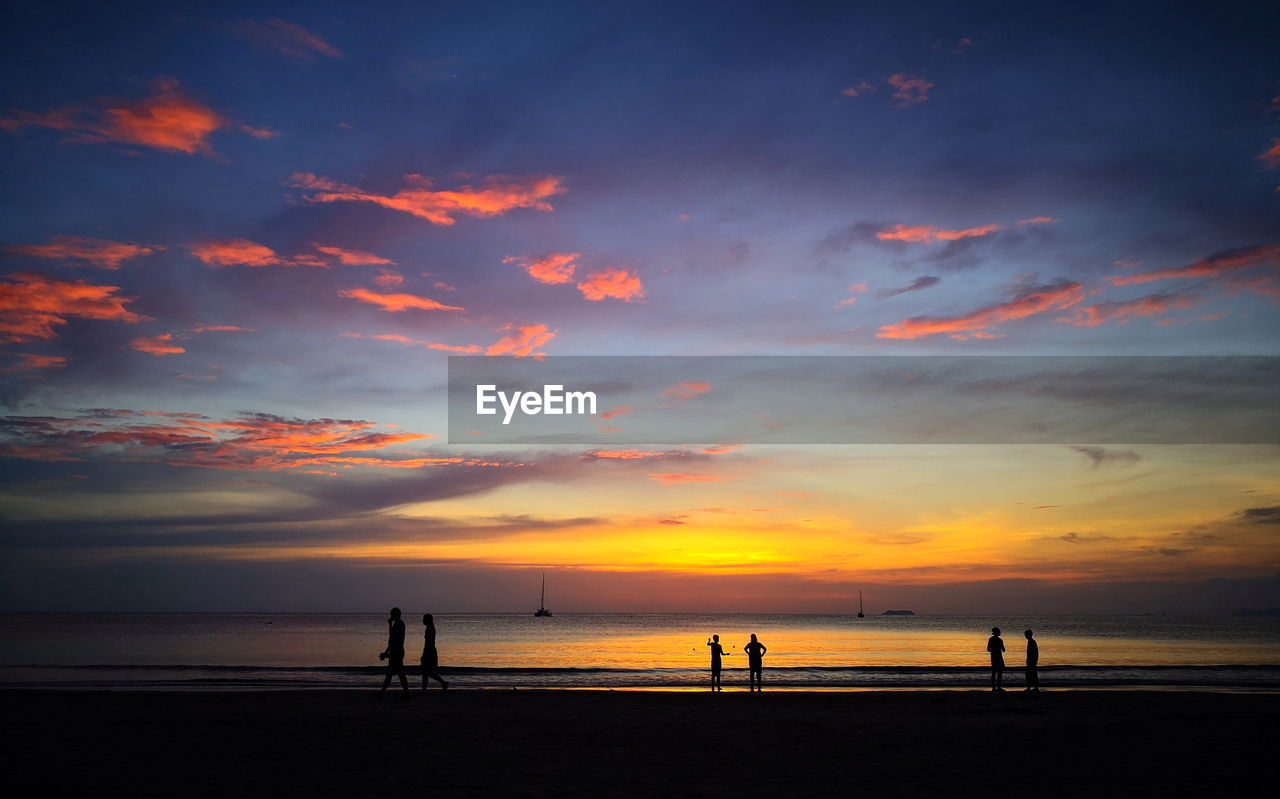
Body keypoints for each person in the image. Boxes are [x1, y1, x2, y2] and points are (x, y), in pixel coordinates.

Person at [378, 607, 410, 697]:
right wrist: (386, 652)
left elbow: (392, 638)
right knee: (396, 673)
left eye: (392, 614)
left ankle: (406, 693)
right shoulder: (399, 624)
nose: (391, 616)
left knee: (397, 673)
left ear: (395, 615)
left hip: (396, 651)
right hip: (396, 650)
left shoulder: (398, 624)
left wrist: (389, 625)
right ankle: (382, 692)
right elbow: (392, 639)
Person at [421, 613, 449, 691]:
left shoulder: (430, 629)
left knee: (426, 671)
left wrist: (425, 653)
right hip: (430, 650)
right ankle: (442, 683)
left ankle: (442, 682)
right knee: (426, 671)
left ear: (427, 620)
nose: (422, 620)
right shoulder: (430, 628)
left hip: (429, 651)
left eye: (424, 619)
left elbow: (429, 643)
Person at [987, 626, 1005, 691]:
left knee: (994, 672)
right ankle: (998, 687)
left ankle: (994, 687)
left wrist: (993, 651)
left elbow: (988, 649)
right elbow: (1003, 650)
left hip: (993, 657)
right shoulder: (1000, 640)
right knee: (999, 672)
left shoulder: (991, 639)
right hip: (999, 657)